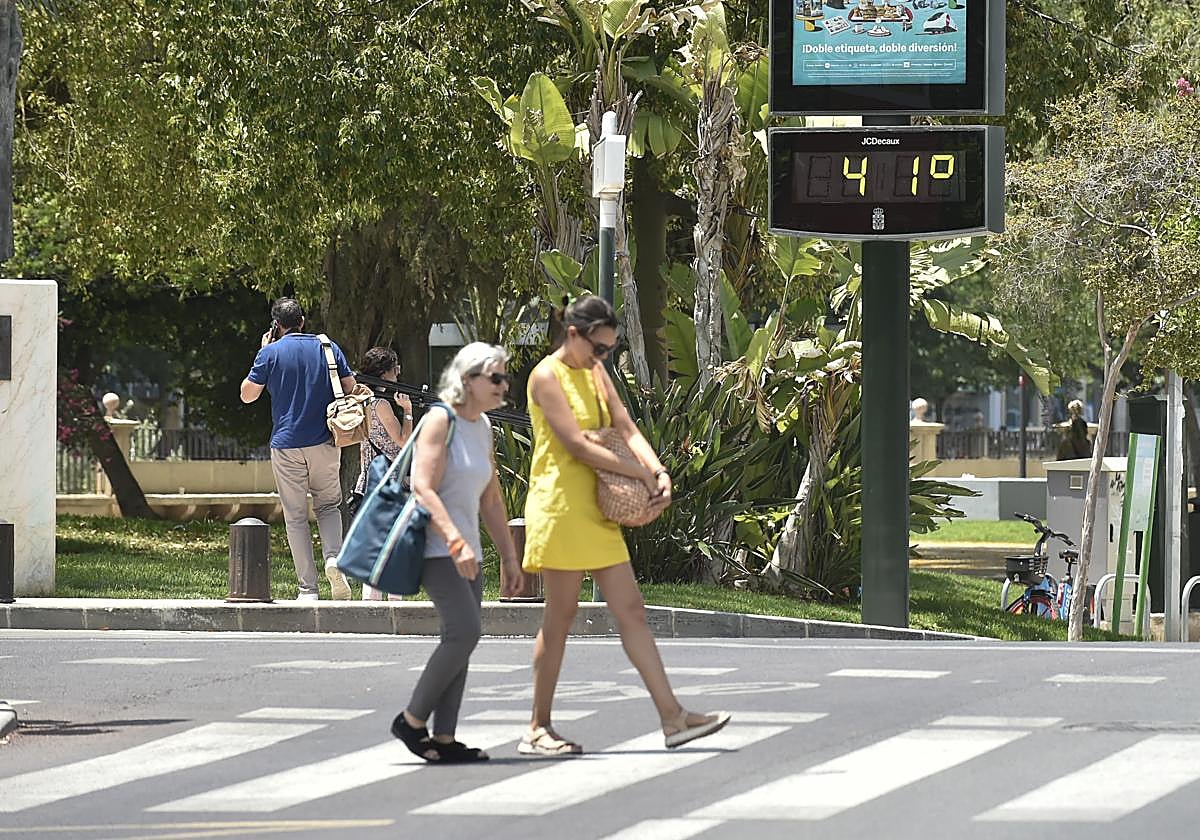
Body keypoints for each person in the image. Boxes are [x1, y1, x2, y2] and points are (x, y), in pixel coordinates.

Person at [520, 295, 730, 756]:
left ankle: (673, 718)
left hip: (598, 508)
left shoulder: (595, 373)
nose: (604, 357)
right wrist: (638, 472)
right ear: (573, 334)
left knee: (632, 610)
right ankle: (537, 727)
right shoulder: (545, 376)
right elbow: (575, 445)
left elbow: (627, 427)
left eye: (610, 350)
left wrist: (658, 471)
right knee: (560, 619)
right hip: (560, 507)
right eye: (600, 348)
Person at [391, 342, 525, 763]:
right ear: (468, 380)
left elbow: (491, 499)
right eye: (496, 378)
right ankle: (412, 721)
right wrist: (453, 539)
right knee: (465, 632)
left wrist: (507, 556)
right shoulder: (439, 419)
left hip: (469, 549)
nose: (505, 385)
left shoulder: (482, 425)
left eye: (506, 377)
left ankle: (445, 738)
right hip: (437, 547)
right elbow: (422, 486)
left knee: (461, 638)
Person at [239, 298, 357, 601]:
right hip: (324, 441)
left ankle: (308, 589)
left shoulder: (270, 353)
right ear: (303, 321)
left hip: (286, 444)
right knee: (329, 505)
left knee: (295, 517)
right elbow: (350, 386)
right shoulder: (327, 347)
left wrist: (262, 350)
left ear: (276, 325)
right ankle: (333, 559)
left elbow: (247, 396)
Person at [352, 347, 414, 600]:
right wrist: (408, 411)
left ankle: (371, 600)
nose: (398, 372)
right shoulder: (382, 405)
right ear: (384, 373)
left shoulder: (361, 401)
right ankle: (392, 599)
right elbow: (403, 441)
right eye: (394, 367)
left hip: (369, 476)